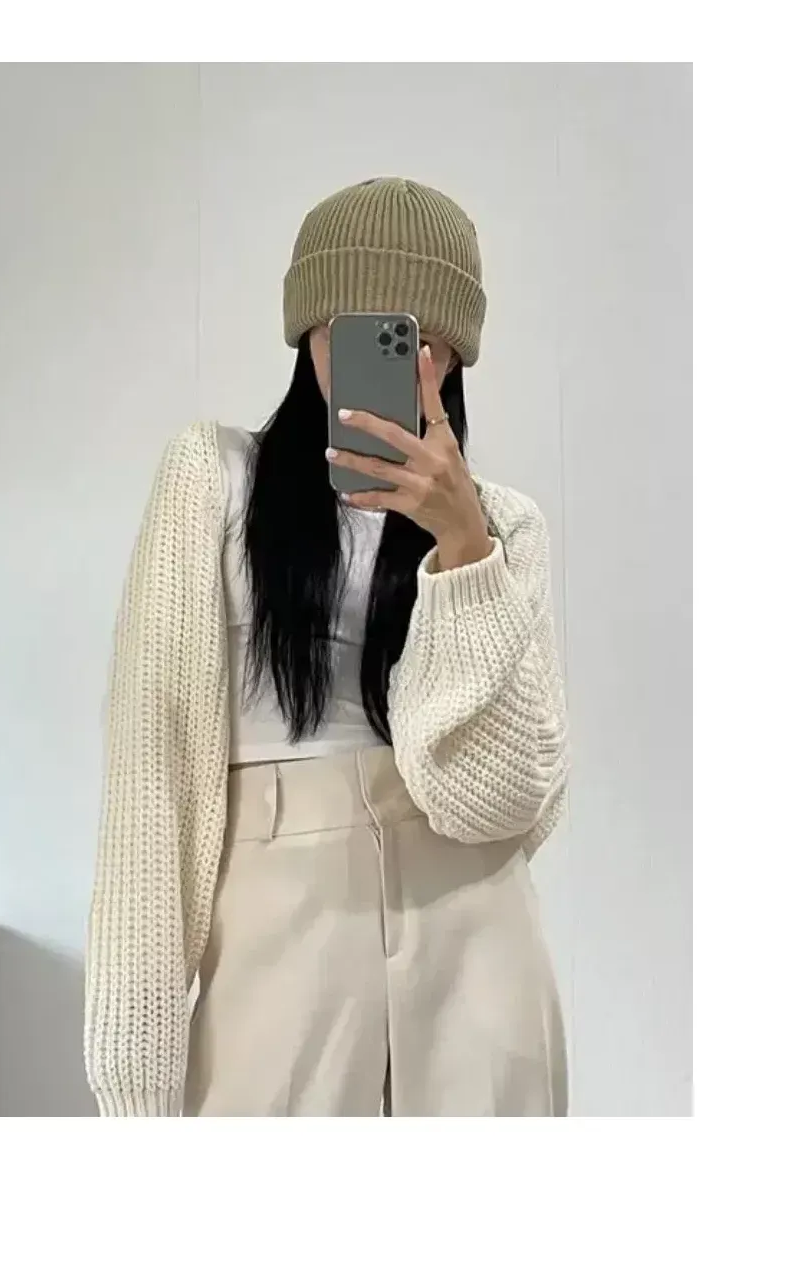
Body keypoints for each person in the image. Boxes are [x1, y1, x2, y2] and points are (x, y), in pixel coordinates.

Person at [84, 176, 570, 1117]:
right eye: (352, 328)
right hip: (278, 928)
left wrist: (465, 553)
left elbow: (506, 806)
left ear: (453, 353)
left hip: (480, 940)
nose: (387, 360)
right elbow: (154, 770)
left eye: (417, 337)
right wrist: (133, 1071)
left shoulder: (506, 527)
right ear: (307, 330)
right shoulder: (212, 479)